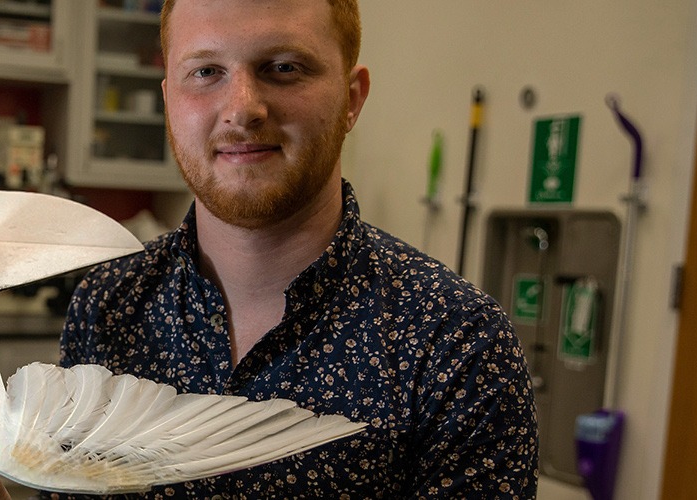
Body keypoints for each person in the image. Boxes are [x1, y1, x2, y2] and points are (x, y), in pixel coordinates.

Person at [48, 0, 539, 498]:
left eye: (283, 67)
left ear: (351, 98)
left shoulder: (457, 342)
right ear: (169, 99)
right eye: (206, 71)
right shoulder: (107, 306)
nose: (241, 108)